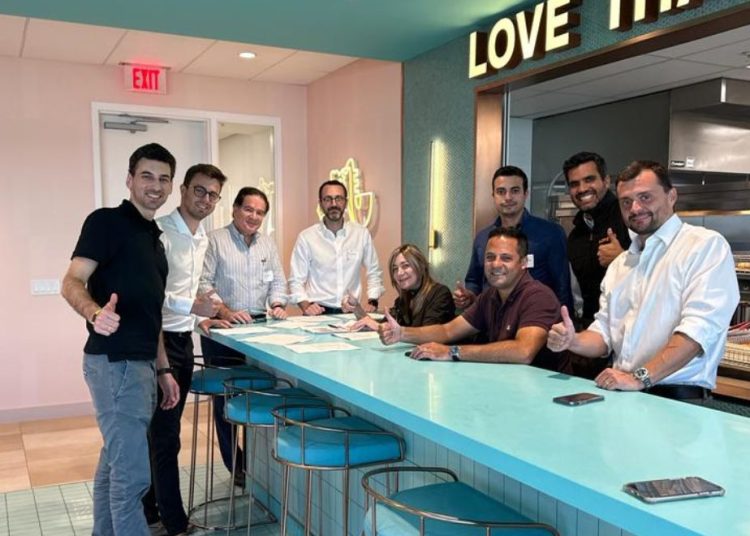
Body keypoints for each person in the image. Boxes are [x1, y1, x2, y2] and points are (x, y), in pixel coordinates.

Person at [61, 143, 180, 536]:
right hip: (115, 364)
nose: (155, 185)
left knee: (115, 466)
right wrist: (95, 313)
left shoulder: (155, 242)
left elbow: (151, 315)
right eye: (146, 176)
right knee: (132, 478)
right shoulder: (106, 222)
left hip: (141, 366)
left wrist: (163, 369)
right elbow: (72, 281)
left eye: (164, 179)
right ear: (129, 179)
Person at [547, 160, 740, 402]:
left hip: (679, 400)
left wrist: (640, 378)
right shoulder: (620, 264)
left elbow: (698, 332)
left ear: (671, 196)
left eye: (645, 197)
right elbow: (604, 334)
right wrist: (573, 340)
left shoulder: (704, 246)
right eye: (626, 202)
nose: (635, 208)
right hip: (624, 394)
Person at [141, 164, 226, 535]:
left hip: (182, 339)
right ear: (184, 189)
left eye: (213, 195)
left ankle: (150, 513)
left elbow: (192, 292)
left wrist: (203, 318)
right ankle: (174, 523)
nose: (205, 199)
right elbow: (151, 295)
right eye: (199, 190)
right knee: (165, 437)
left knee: (163, 432)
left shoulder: (201, 237)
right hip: (159, 342)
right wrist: (192, 306)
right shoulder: (160, 232)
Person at [380, 228, 566, 372]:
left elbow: (523, 351)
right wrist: (401, 333)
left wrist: (452, 352)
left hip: (545, 395)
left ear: (524, 263)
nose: (496, 264)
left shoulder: (538, 296)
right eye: (490, 257)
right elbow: (447, 331)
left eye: (506, 258)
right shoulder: (489, 296)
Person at [198, 186, 288, 479]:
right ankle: (235, 465)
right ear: (235, 209)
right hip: (223, 330)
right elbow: (203, 283)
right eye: (248, 209)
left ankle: (254, 463)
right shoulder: (215, 240)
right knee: (225, 399)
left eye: (260, 212)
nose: (253, 216)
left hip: (259, 330)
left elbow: (278, 281)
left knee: (253, 397)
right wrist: (225, 311)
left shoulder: (267, 245)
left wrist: (277, 304)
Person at [454, 166, 572, 313]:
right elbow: (474, 280)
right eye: (501, 191)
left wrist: (565, 321)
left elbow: (562, 287)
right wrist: (469, 296)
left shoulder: (551, 233)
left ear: (525, 194)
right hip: (490, 319)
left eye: (515, 191)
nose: (508, 197)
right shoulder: (483, 238)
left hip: (534, 319)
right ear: (493, 196)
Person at [289, 180, 384, 315]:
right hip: (317, 313)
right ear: (320, 203)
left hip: (351, 313)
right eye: (328, 199)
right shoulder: (306, 237)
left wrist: (373, 300)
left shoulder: (361, 234)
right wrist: (306, 305)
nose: (334, 204)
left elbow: (374, 271)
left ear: (346, 202)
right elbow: (296, 280)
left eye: (338, 198)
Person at [563, 152, 631, 329]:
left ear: (606, 181)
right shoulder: (576, 236)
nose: (582, 189)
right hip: (593, 331)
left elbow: (662, 275)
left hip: (631, 329)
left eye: (589, 179)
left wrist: (622, 259)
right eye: (574, 184)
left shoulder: (630, 217)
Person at [351, 244, 455, 331]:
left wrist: (383, 327)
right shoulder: (403, 299)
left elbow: (428, 334)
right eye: (395, 269)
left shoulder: (440, 294)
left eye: (405, 266)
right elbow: (383, 325)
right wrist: (356, 308)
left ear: (421, 266)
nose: (399, 273)